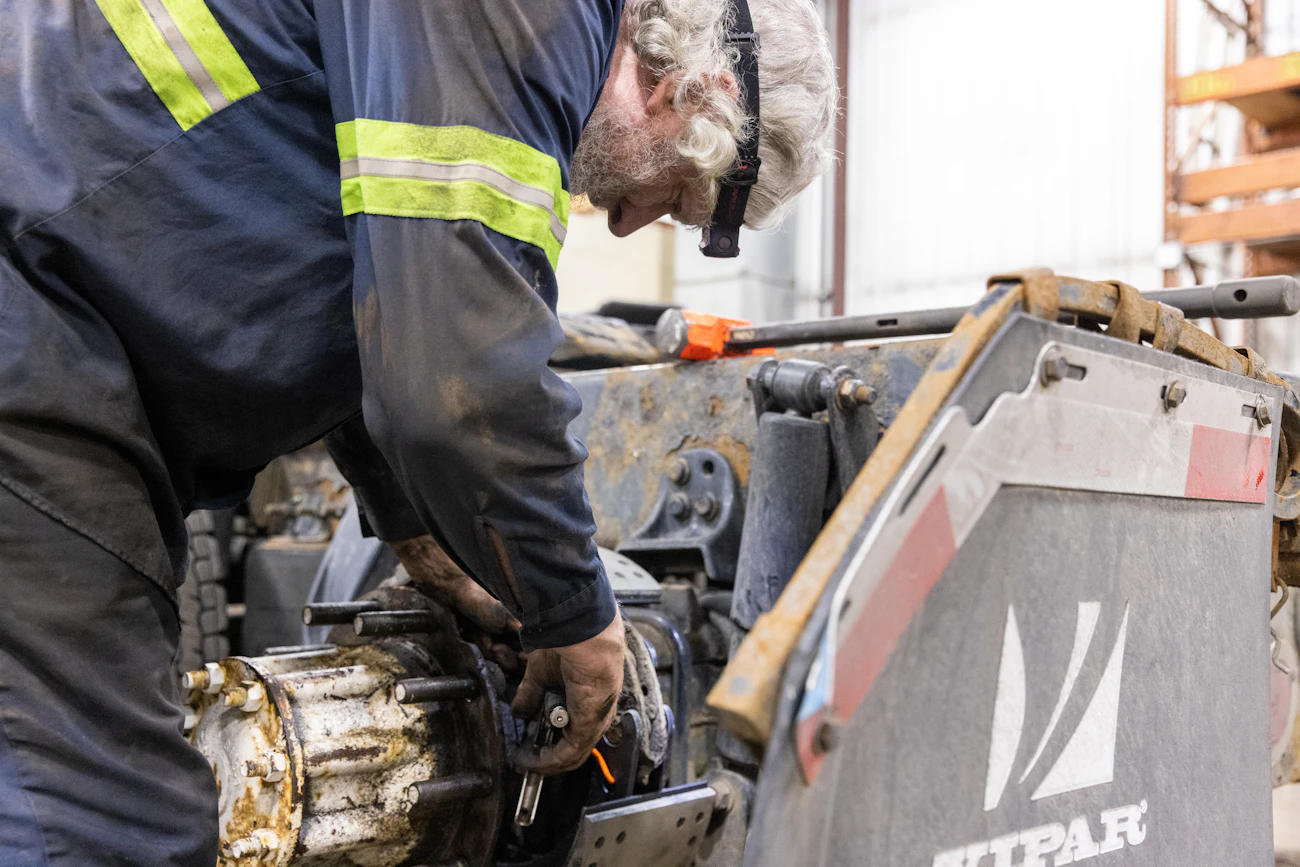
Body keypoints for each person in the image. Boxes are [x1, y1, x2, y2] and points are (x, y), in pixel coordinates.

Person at [0, 0, 836, 862]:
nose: (625, 222)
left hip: (57, 311)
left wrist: (418, 535)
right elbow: (460, 375)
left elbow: (377, 312)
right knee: (99, 821)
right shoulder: (520, 17)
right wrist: (577, 615)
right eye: (678, 197)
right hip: (38, 314)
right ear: (689, 91)